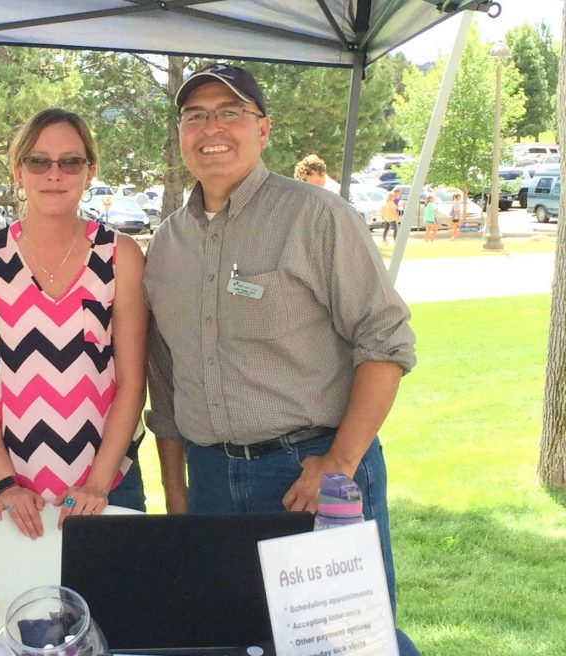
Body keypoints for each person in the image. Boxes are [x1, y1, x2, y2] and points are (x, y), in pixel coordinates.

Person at [144, 63, 417, 645]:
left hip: (311, 472)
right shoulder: (166, 244)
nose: (211, 126)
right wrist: (176, 491)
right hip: (210, 481)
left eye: (230, 113)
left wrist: (340, 464)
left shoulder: (318, 218)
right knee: (228, 635)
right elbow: (164, 377)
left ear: (263, 129)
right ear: (181, 134)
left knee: (345, 640)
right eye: (196, 115)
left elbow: (386, 342)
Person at [0, 108, 147, 538]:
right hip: (12, 492)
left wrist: (98, 484)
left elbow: (133, 382)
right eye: (38, 161)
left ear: (89, 170)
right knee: (13, 605)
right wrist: (5, 482)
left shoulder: (121, 256)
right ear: (18, 170)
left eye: (70, 162)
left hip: (109, 488)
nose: (54, 174)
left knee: (116, 606)